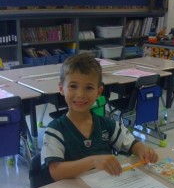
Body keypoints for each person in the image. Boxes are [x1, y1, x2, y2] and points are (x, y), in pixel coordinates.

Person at [41, 53, 158, 181]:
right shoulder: (55, 130)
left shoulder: (108, 125)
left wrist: (142, 150)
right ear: (61, 88)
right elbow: (55, 171)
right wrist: (92, 161)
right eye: (73, 86)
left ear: (98, 92)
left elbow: (131, 144)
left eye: (89, 88)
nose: (80, 94)